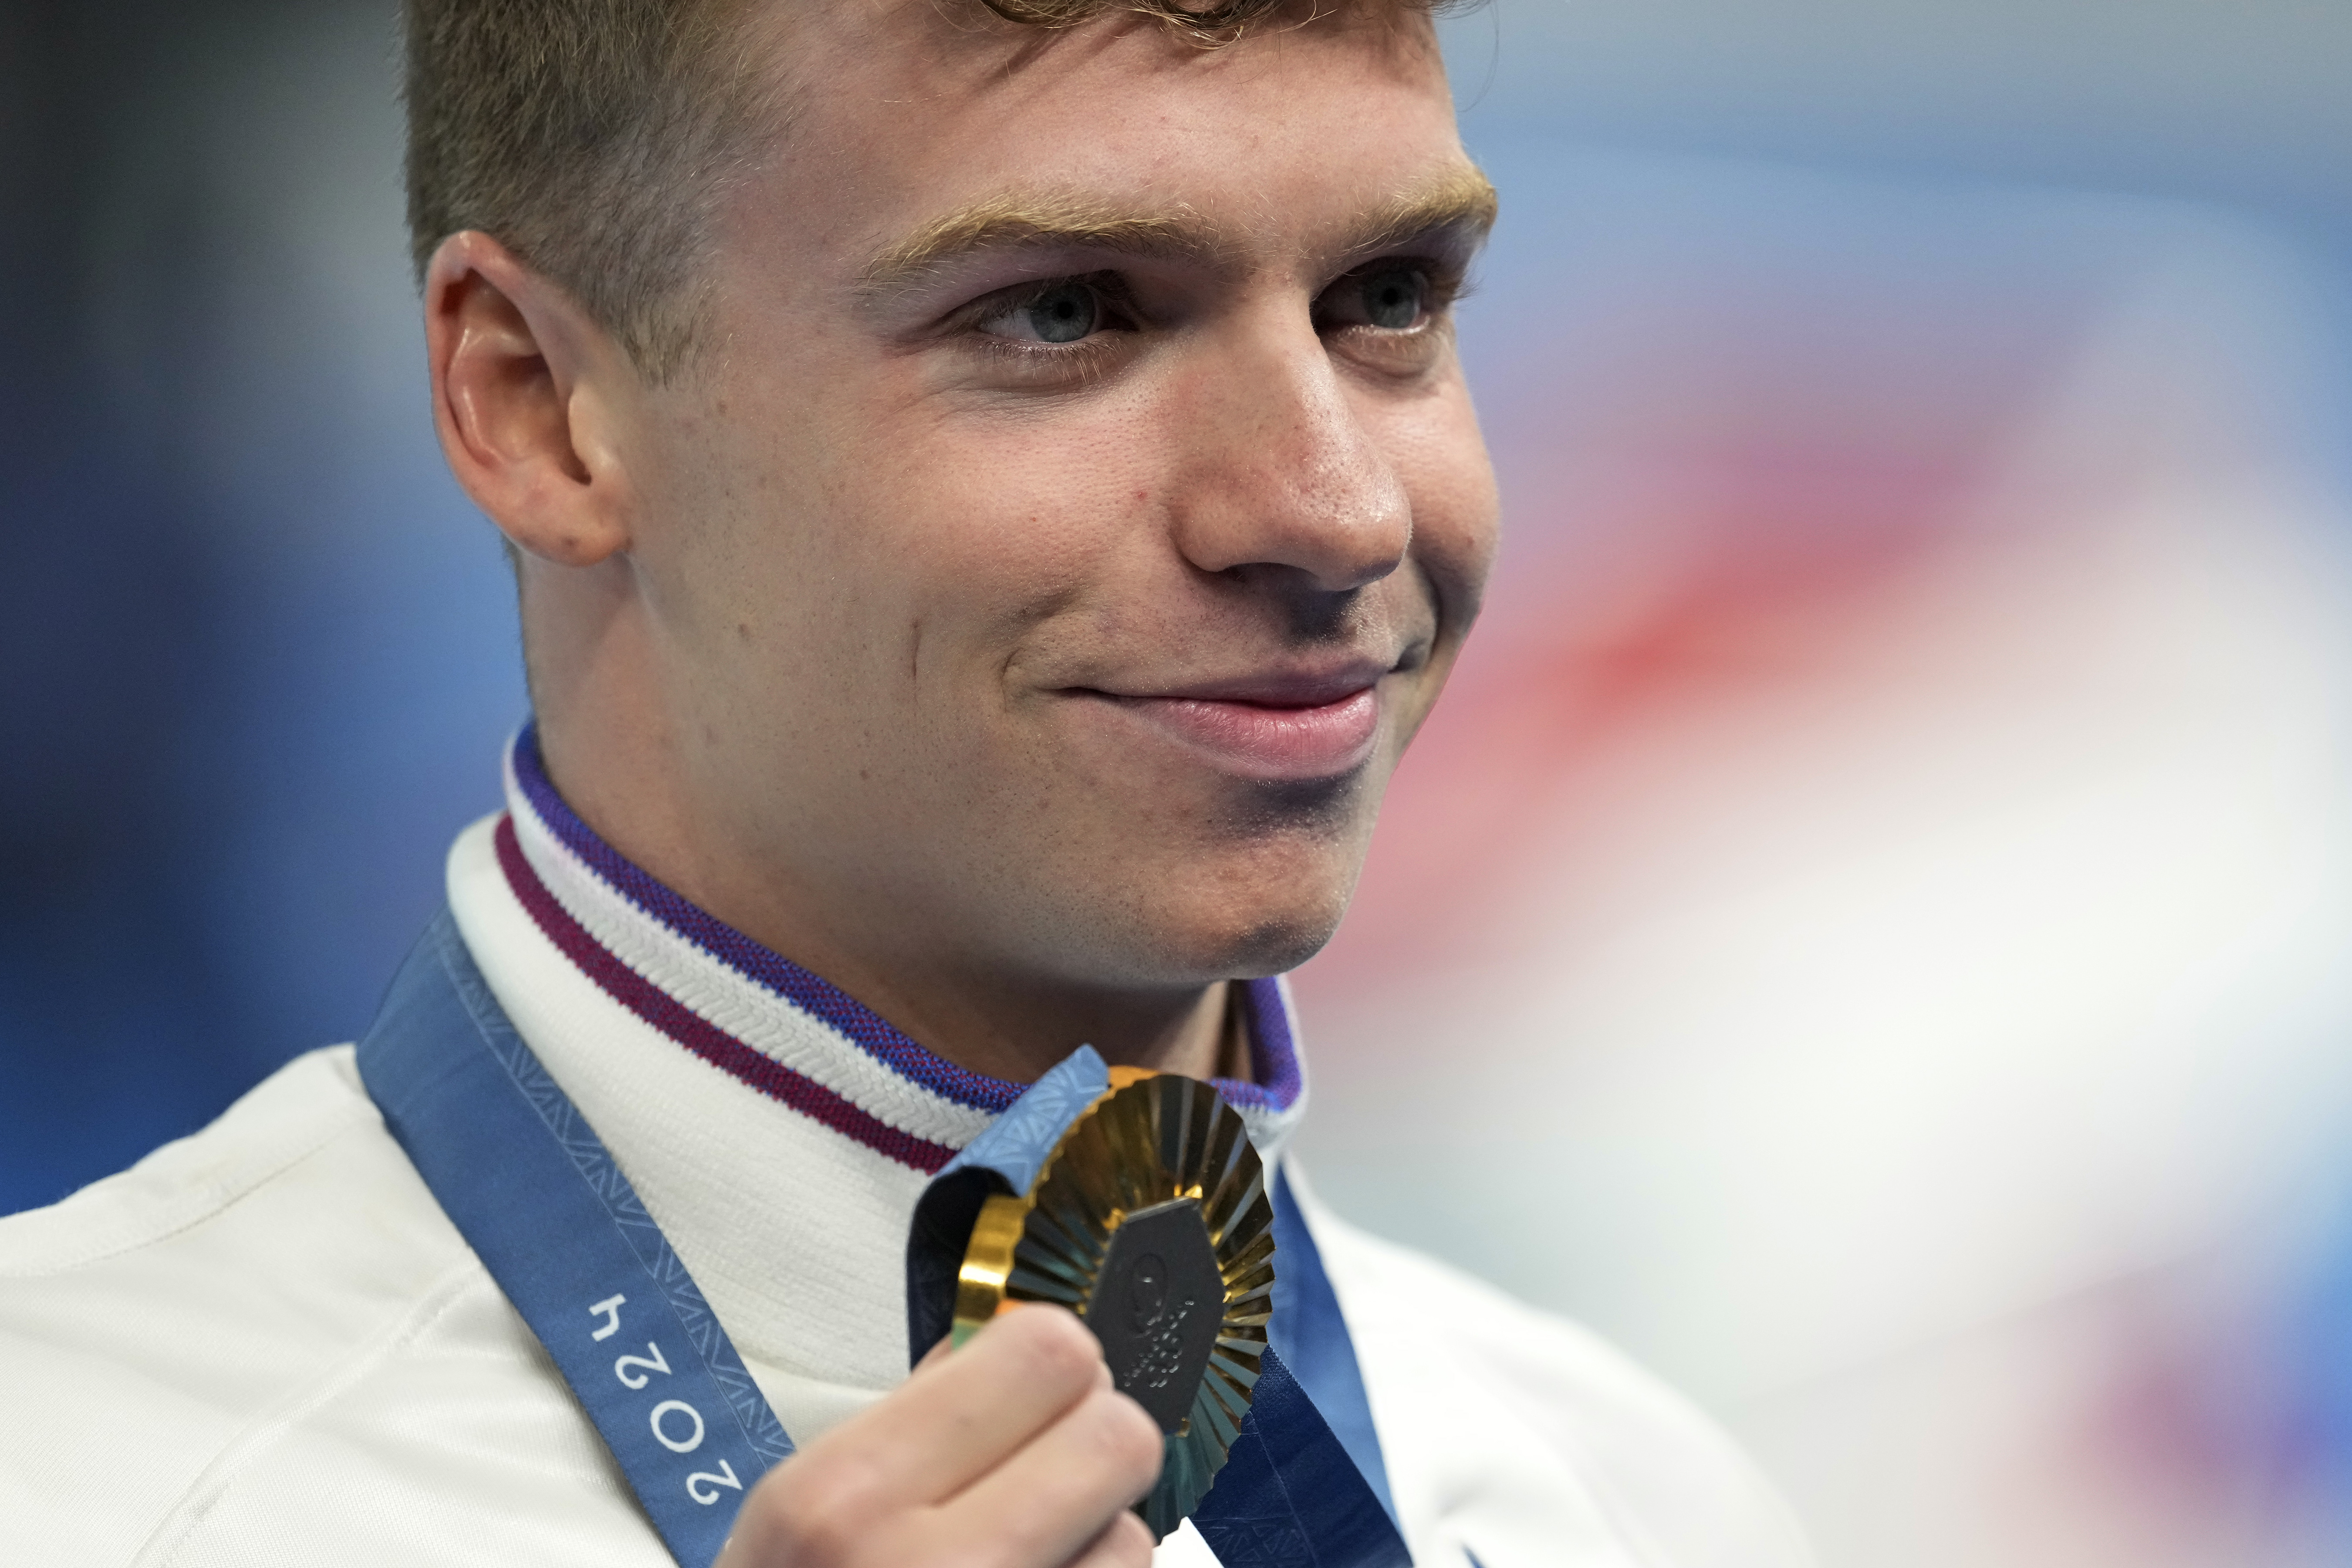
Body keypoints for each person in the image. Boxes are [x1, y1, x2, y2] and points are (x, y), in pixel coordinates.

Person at [0, 0, 1815, 1563]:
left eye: (1388, 297)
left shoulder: (1642, 1497)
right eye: (1065, 315)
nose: (1335, 510)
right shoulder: (72, 1482)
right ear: (538, 403)